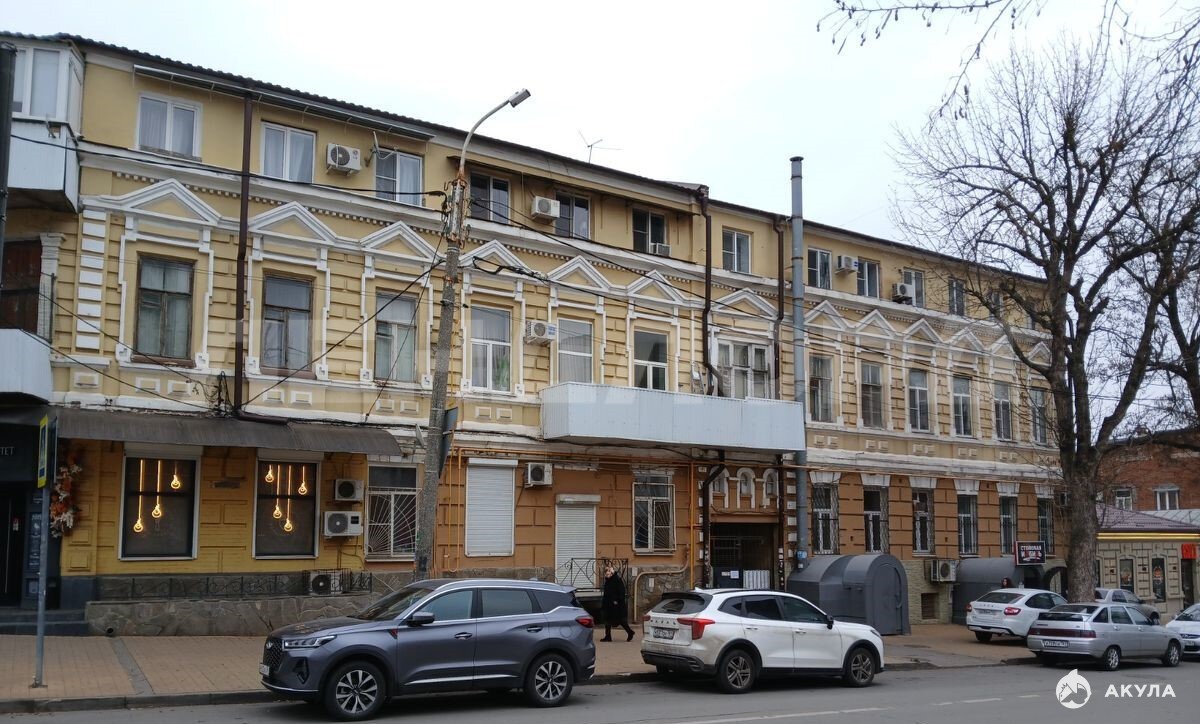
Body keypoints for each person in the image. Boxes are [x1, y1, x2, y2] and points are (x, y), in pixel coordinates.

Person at [600, 565, 635, 642]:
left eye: (608, 572)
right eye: (606, 572)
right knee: (608, 620)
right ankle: (608, 636)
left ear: (611, 573)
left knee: (621, 620)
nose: (606, 574)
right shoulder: (608, 581)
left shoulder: (617, 580)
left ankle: (630, 632)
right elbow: (606, 594)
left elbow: (621, 592)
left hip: (616, 605)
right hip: (608, 604)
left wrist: (616, 600)